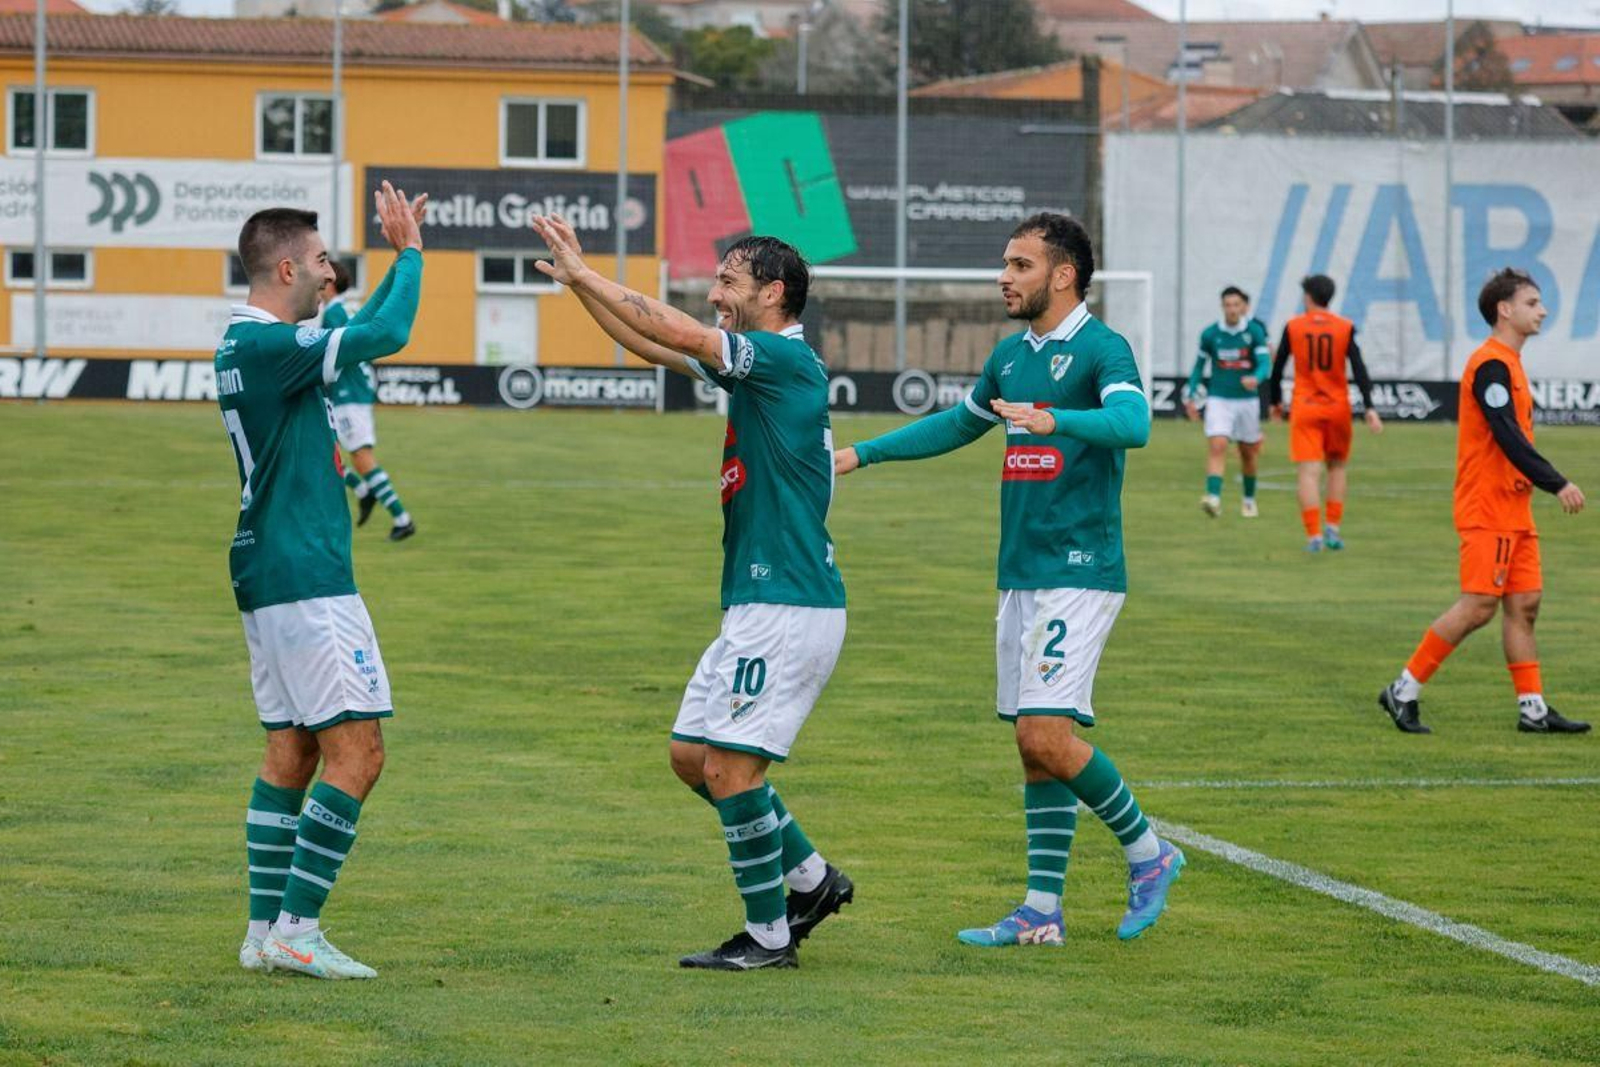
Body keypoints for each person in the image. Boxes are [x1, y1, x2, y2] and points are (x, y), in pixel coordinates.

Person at [835, 213, 1184, 948]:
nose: (1004, 276)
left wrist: (1057, 421)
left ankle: (1150, 853)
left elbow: (1134, 424)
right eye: (1006, 263)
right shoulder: (1010, 355)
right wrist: (862, 454)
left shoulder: (1102, 347)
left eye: (1021, 264)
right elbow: (958, 424)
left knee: (1044, 732)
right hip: (1022, 570)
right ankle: (1040, 912)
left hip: (1079, 568)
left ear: (1064, 275)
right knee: (1033, 745)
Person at [529, 213, 854, 971]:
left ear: (773, 293)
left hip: (787, 603)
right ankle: (811, 879)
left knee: (731, 771)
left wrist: (588, 274)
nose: (714, 295)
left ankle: (769, 937)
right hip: (759, 601)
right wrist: (580, 286)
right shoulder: (758, 366)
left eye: (728, 282)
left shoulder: (782, 357)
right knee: (692, 755)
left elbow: (678, 331)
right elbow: (653, 344)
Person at [221, 182, 426, 979]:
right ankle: (298, 929)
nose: (329, 272)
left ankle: (263, 931)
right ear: (284, 271)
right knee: (358, 753)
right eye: (319, 261)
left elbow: (349, 323)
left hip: (267, 567)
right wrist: (410, 252)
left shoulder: (245, 343)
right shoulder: (272, 346)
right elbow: (390, 330)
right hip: (307, 573)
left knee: (292, 748)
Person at [1378, 268, 1588, 735]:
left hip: (1514, 507)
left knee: (1525, 603)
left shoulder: (1510, 363)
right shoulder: (1490, 364)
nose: (1542, 311)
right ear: (1504, 310)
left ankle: (1533, 709)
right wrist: (1556, 482)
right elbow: (1507, 435)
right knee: (1478, 606)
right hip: (1487, 506)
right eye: (1532, 303)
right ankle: (1403, 689)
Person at [1268, 275, 1383, 552]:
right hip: (1337, 407)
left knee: (1309, 472)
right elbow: (1359, 367)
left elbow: (1278, 368)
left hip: (1305, 406)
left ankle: (1314, 536)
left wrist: (1275, 402)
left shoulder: (1294, 326)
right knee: (1337, 467)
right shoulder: (1344, 327)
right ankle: (1333, 529)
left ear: (1308, 296)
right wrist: (1369, 407)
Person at [325, 260, 416, 541]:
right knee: (327, 452)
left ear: (330, 284)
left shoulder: (333, 314)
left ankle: (402, 519)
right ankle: (363, 490)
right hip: (352, 391)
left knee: (361, 457)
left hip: (347, 394)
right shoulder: (347, 310)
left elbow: (336, 355)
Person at [1184, 285, 1270, 517]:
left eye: (1236, 305)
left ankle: (1249, 500)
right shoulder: (1210, 334)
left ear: (1243, 307)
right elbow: (1199, 367)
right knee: (1218, 444)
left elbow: (1265, 363)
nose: (1232, 309)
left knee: (1248, 452)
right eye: (1228, 305)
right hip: (1219, 398)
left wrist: (1256, 378)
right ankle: (1213, 498)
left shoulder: (1254, 332)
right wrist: (1191, 393)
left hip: (1247, 401)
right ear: (1222, 307)